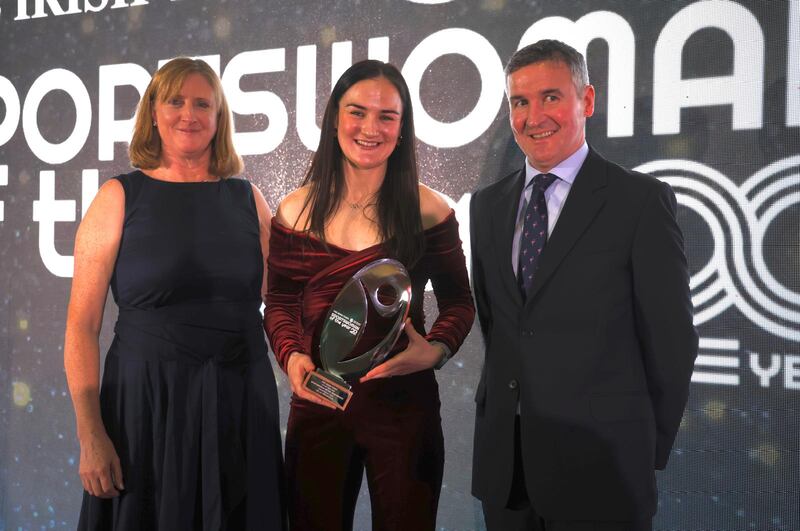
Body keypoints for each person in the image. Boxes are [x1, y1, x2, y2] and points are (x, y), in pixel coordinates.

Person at [469, 40, 698, 531]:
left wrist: (639, 451)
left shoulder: (640, 202)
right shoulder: (485, 206)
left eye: (551, 97)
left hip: (605, 474)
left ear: (587, 101)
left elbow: (672, 342)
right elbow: (499, 327)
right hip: (507, 476)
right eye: (520, 102)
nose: (534, 117)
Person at [64, 57, 286, 530]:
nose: (189, 113)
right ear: (153, 112)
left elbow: (284, 307)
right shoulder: (118, 198)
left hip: (240, 402)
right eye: (176, 101)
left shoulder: (250, 200)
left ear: (219, 118)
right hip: (144, 410)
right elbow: (81, 327)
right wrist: (90, 433)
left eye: (203, 103)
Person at [264, 59, 474, 531]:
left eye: (387, 116)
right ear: (335, 116)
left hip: (404, 408)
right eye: (357, 112)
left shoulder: (429, 210)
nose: (370, 128)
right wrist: (292, 357)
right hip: (318, 405)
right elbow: (278, 301)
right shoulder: (294, 211)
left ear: (402, 129)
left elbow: (460, 301)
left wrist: (435, 349)